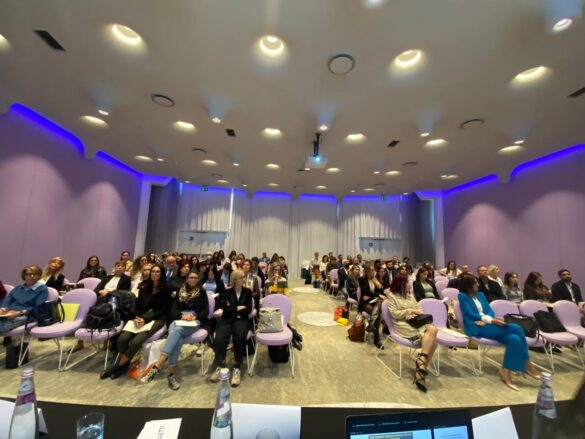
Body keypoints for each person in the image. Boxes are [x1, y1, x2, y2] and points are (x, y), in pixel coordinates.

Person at [458, 274, 541, 391]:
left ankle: (506, 370)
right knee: (517, 328)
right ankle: (526, 363)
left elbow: (490, 310)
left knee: (514, 339)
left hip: (486, 323)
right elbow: (470, 314)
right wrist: (490, 320)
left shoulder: (481, 295)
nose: (478, 284)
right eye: (475, 282)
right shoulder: (462, 296)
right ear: (468, 285)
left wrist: (488, 319)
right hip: (475, 326)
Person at [100, 264, 173, 380]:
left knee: (135, 342)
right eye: (153, 271)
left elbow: (163, 310)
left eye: (158, 271)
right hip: (140, 318)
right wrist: (137, 317)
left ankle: (118, 366)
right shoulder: (144, 286)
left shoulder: (167, 289)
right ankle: (125, 365)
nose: (154, 273)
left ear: (162, 274)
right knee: (122, 339)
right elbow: (138, 305)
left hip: (157, 319)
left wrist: (145, 319)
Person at [140, 271, 210, 390]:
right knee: (177, 336)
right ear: (187, 279)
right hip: (178, 318)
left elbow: (205, 311)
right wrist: (182, 316)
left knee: (177, 331)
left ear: (198, 279)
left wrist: (194, 316)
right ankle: (171, 375)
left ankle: (158, 365)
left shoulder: (202, 293)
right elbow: (172, 310)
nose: (193, 279)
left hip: (194, 321)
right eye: (191, 277)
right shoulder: (179, 292)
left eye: (195, 278)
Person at [387, 275, 439, 393]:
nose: (409, 285)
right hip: (402, 324)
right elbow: (394, 314)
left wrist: (414, 314)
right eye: (407, 283)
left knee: (434, 330)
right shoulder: (392, 296)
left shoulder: (410, 295)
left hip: (415, 321)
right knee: (434, 340)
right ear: (400, 284)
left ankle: (421, 363)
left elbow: (420, 309)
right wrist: (409, 311)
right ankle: (421, 369)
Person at [210, 270, 252, 387]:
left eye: (244, 277)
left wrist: (232, 307)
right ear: (234, 280)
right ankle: (220, 365)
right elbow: (225, 308)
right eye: (241, 277)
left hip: (242, 320)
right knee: (219, 339)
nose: (244, 279)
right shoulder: (227, 292)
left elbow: (248, 309)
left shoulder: (247, 292)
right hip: (226, 319)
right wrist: (238, 307)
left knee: (239, 338)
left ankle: (237, 367)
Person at [0, 265, 48, 334]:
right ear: (24, 276)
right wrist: (3, 308)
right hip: (10, 313)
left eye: (35, 274)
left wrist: (19, 312)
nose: (32, 276)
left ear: (39, 275)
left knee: (2, 327)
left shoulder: (42, 289)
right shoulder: (18, 288)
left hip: (28, 315)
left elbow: (37, 307)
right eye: (29, 274)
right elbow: (8, 300)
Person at [359, 264, 385, 349]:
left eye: (374, 270)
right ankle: (376, 339)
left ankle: (371, 325)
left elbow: (380, 290)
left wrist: (376, 295)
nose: (373, 271)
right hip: (365, 303)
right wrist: (376, 295)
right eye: (371, 270)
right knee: (376, 314)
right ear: (367, 271)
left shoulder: (375, 280)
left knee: (378, 306)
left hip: (375, 301)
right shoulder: (362, 279)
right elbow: (365, 291)